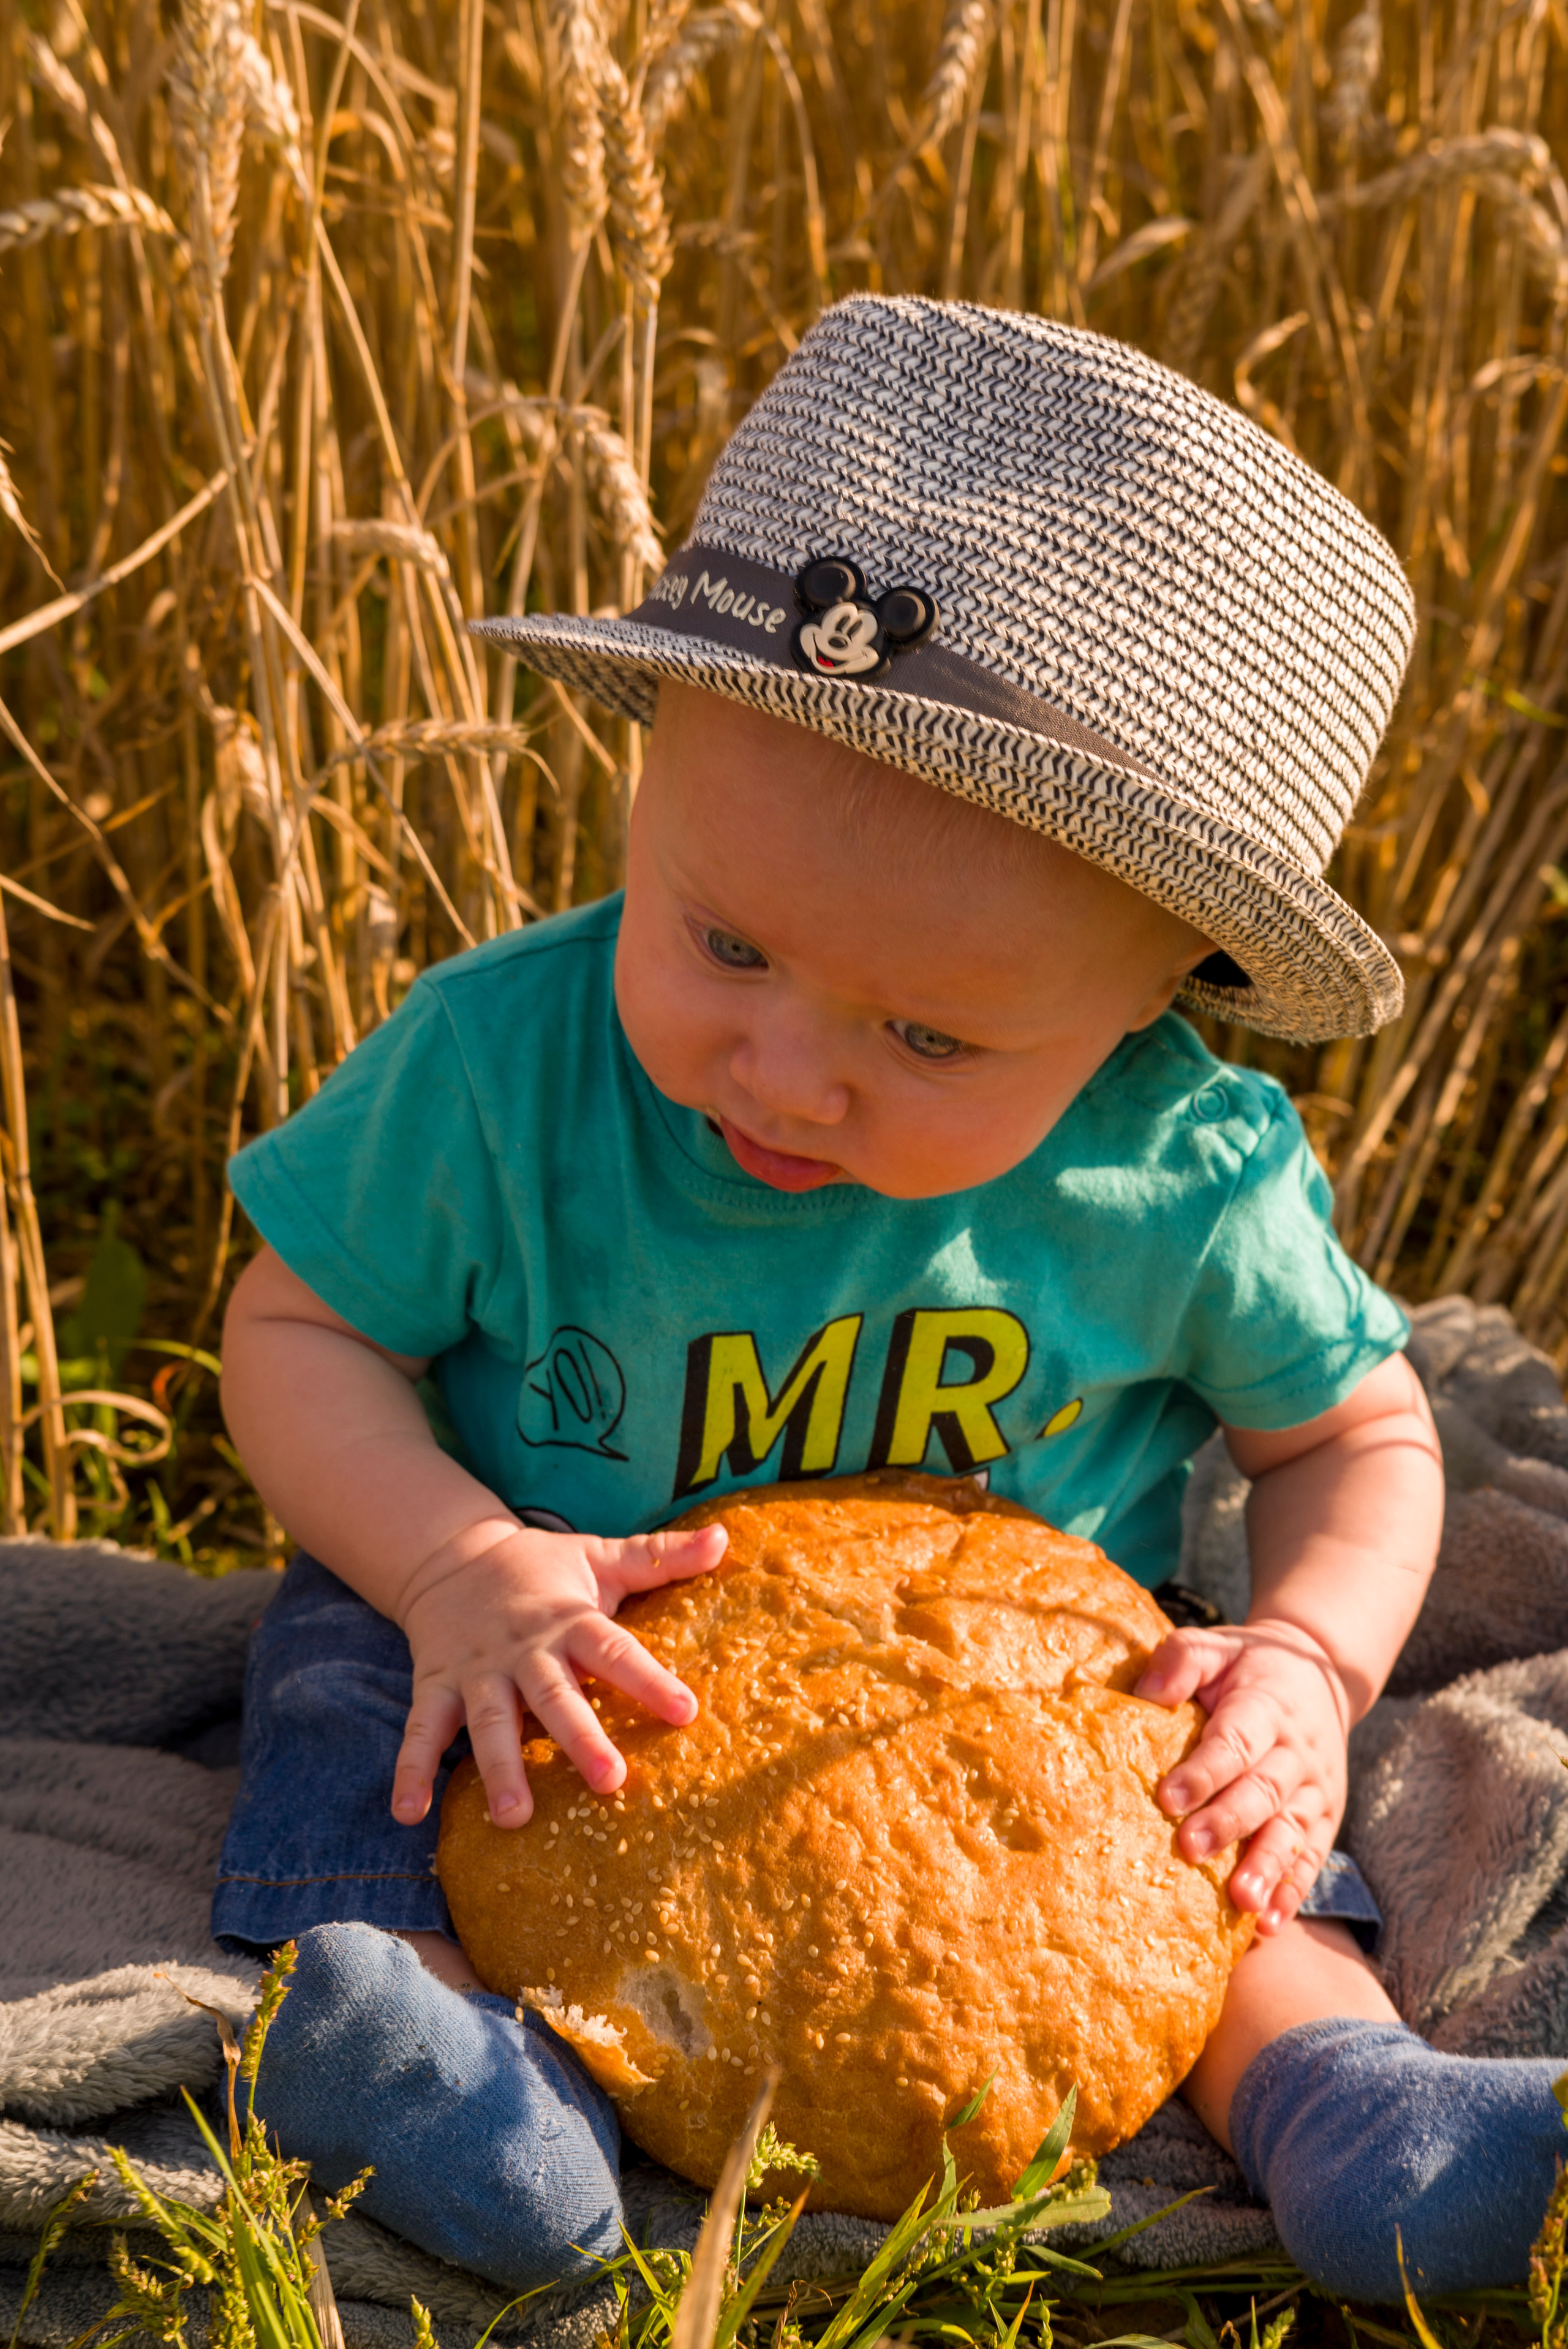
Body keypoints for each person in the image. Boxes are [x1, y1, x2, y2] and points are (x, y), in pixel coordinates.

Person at [215, 297, 1564, 2304]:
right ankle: (432, 2050)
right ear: (647, 775)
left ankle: (1345, 2092)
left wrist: (1303, 1654)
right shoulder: (500, 1072)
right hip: (545, 1624)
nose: (782, 1068)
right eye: (724, 939)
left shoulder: (1176, 1167)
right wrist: (446, 1556)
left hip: (1020, 1708)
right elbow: (301, 1328)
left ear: (1151, 997)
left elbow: (1353, 1430)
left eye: (927, 1033)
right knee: (358, 1710)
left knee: (1227, 1831)